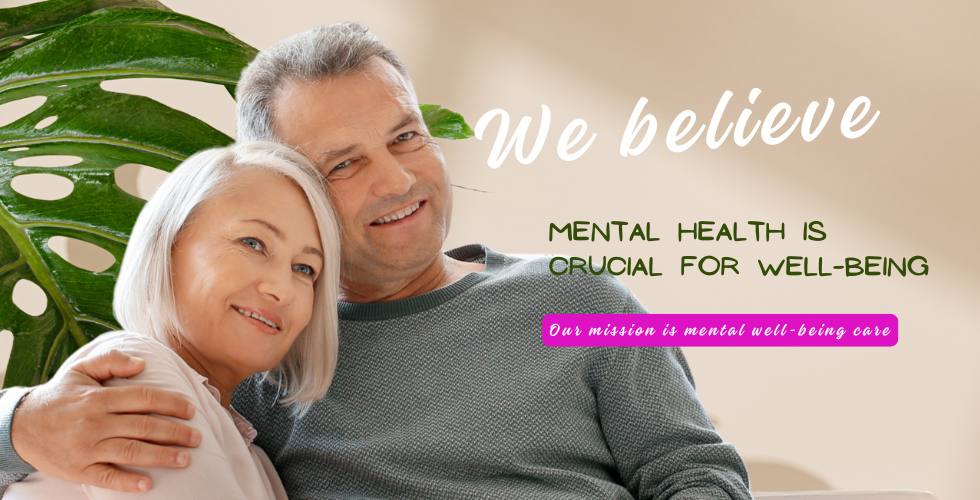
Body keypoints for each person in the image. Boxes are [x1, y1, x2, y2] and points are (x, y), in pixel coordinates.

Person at [0, 24, 753, 499]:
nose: (396, 181)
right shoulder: (262, 347)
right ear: (287, 188)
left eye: (404, 137)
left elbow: (693, 473)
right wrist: (21, 422)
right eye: (342, 164)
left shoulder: (577, 299)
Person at [2, 142, 340, 498]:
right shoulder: (136, 372)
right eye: (253, 243)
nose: (281, 289)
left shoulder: (256, 459)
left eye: (304, 269)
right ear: (170, 242)